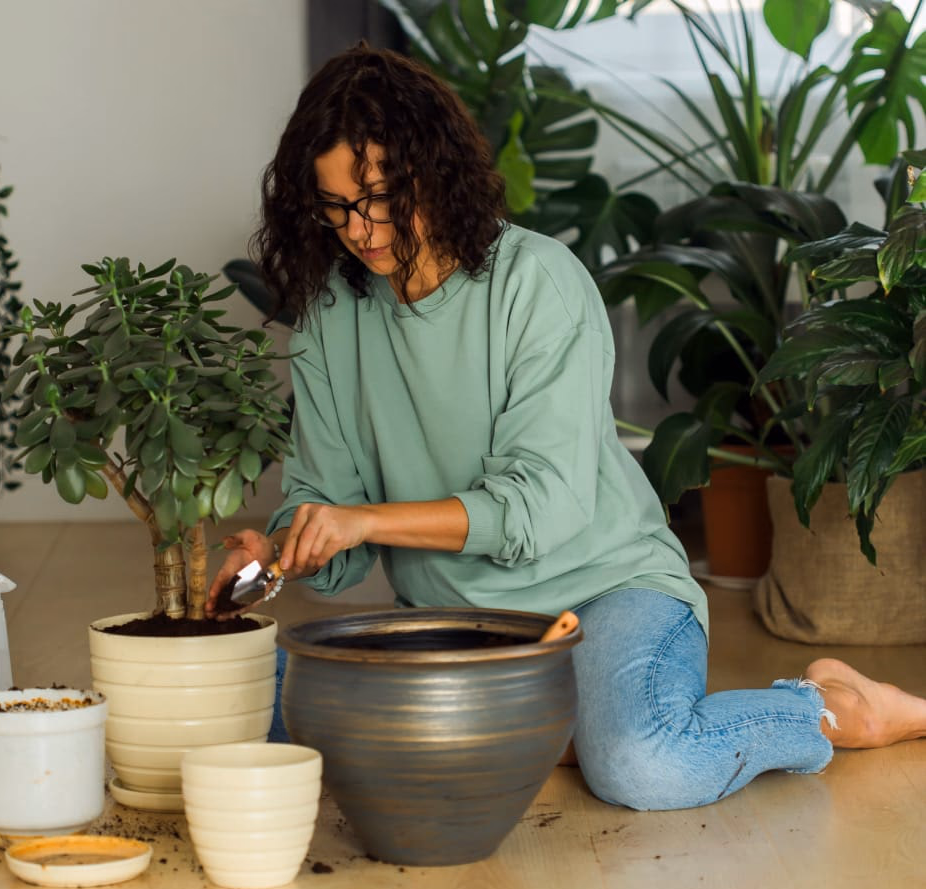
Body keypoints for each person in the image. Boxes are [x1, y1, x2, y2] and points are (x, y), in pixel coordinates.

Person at [206, 44, 926, 811]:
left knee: (641, 765)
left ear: (432, 171)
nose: (361, 228)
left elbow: (541, 506)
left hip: (609, 592)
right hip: (464, 626)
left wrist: (364, 520)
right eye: (337, 205)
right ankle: (551, 728)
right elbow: (333, 511)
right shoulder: (329, 320)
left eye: (381, 195)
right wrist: (290, 545)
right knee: (254, 714)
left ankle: (832, 706)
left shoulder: (537, 281)